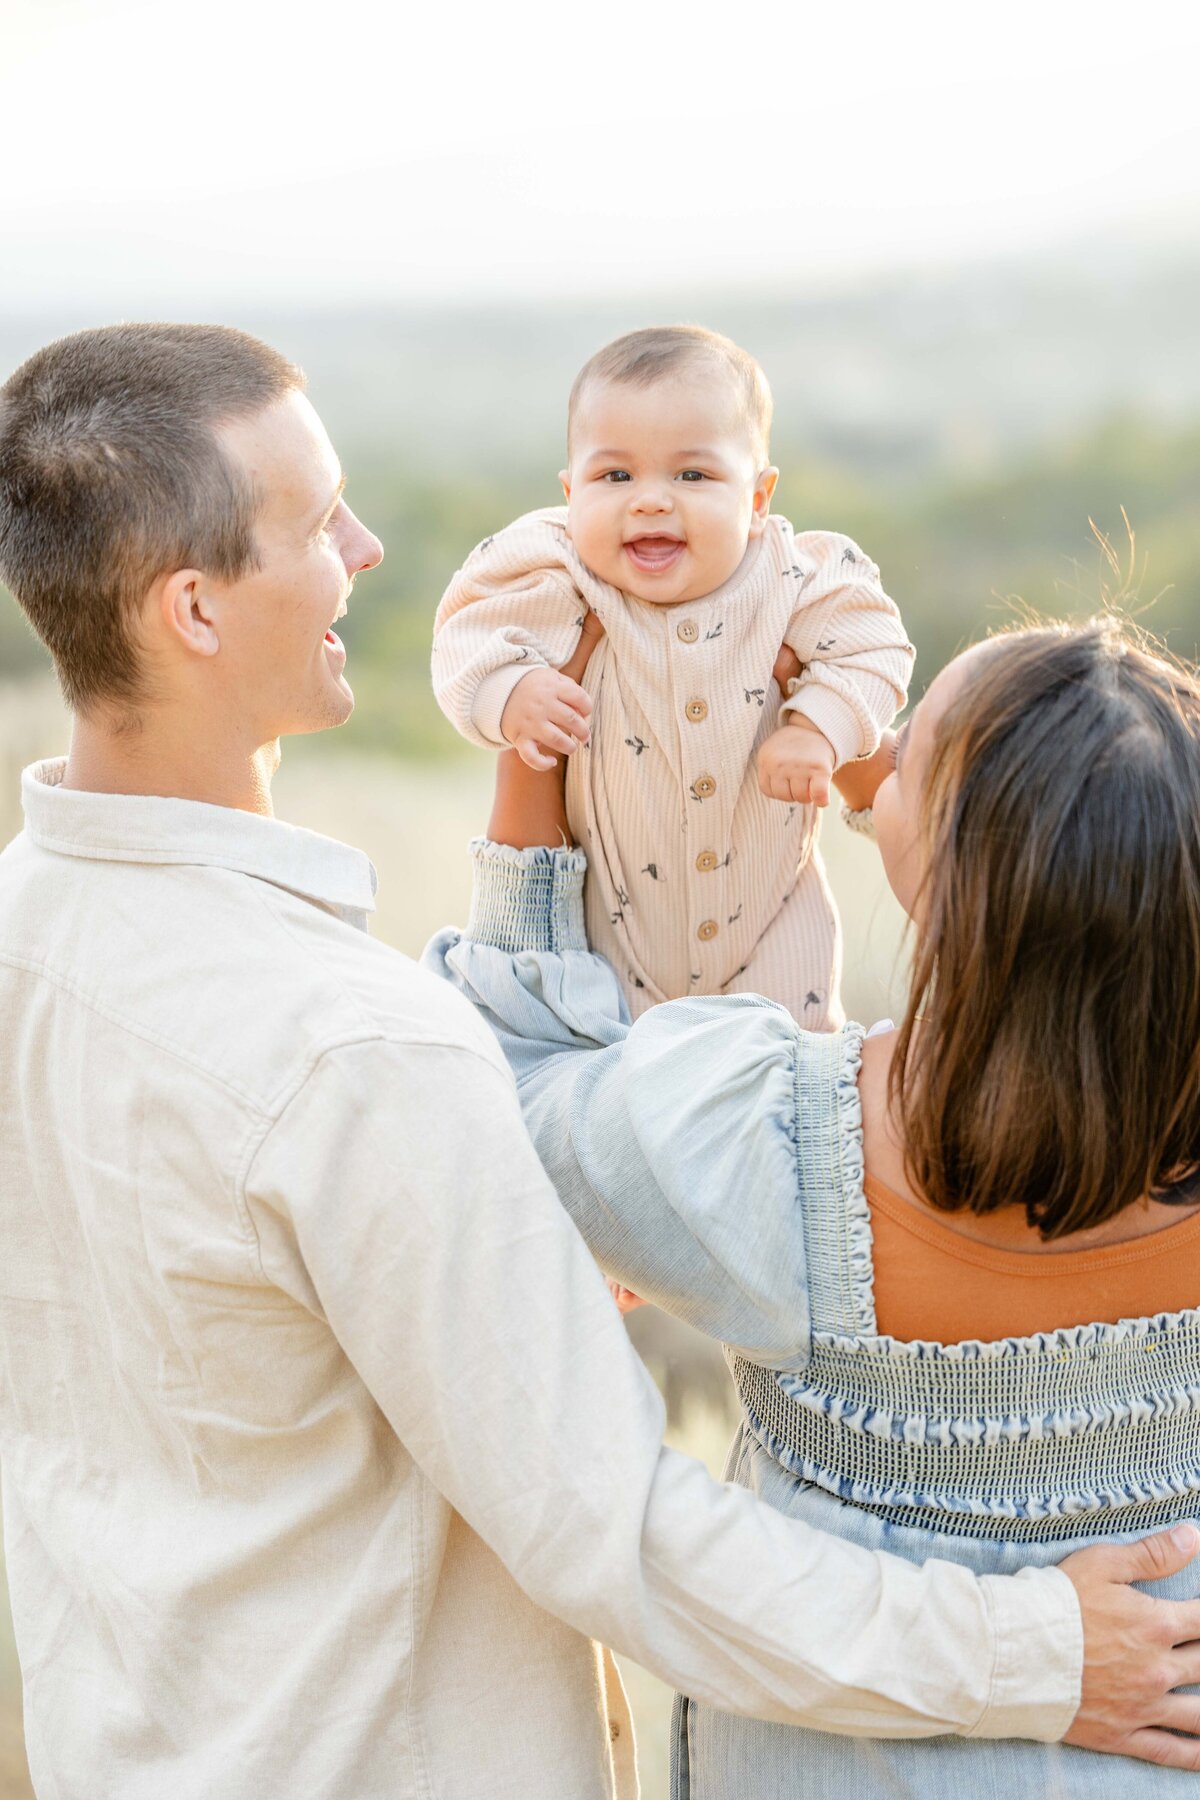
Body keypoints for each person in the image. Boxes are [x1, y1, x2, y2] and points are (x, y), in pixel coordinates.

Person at [0, 326, 1196, 1800]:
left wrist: (537, 781)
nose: (374, 551)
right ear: (191, 606)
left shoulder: (22, 937)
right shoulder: (358, 1059)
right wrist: (1032, 1655)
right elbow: (613, 1530)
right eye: (322, 523)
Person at [429, 611, 1200, 1793]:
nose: (872, 750)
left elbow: (504, 1092)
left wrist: (533, 767)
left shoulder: (764, 1144)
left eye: (906, 751)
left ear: (947, 874)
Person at [431, 324, 914, 1029]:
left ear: (757, 500)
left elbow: (873, 643)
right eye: (614, 476)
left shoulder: (792, 577)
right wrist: (513, 694)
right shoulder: (559, 573)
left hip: (774, 948)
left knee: (781, 1084)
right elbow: (466, 632)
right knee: (629, 1098)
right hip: (616, 961)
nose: (650, 500)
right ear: (570, 494)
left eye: (692, 475)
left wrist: (818, 727)